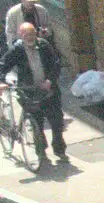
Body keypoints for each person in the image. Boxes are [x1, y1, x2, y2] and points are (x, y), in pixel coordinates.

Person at [0, 22, 66, 163]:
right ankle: (41, 151)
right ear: (20, 35)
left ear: (35, 34)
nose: (29, 37)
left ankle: (59, 150)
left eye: (32, 34)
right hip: (29, 92)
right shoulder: (17, 50)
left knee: (57, 122)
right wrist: (1, 81)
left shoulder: (44, 46)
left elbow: (55, 64)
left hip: (49, 91)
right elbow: (3, 65)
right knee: (37, 123)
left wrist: (50, 81)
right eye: (26, 35)